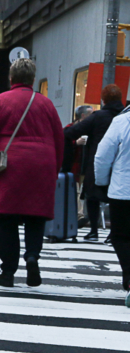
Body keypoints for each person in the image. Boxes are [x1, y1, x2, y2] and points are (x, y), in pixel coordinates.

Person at [0, 58, 63, 288]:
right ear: (33, 79)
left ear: (11, 78)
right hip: (42, 164)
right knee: (35, 216)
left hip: (10, 164)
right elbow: (59, 138)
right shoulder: (46, 104)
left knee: (7, 218)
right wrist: (53, 169)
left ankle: (8, 271)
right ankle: (32, 256)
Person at [64, 84, 125, 241]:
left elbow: (71, 133)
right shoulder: (125, 117)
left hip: (97, 161)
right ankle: (114, 233)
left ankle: (93, 231)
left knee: (92, 196)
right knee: (116, 199)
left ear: (103, 100)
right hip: (121, 165)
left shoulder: (98, 116)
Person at [95, 103, 130, 306]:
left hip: (123, 190)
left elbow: (102, 156)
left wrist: (101, 181)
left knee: (121, 237)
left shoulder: (122, 121)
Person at [62, 105, 93, 227]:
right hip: (75, 164)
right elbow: (63, 143)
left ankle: (80, 214)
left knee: (81, 190)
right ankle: (79, 215)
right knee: (76, 189)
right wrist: (76, 143)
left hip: (84, 164)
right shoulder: (71, 129)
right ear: (83, 116)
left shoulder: (87, 129)